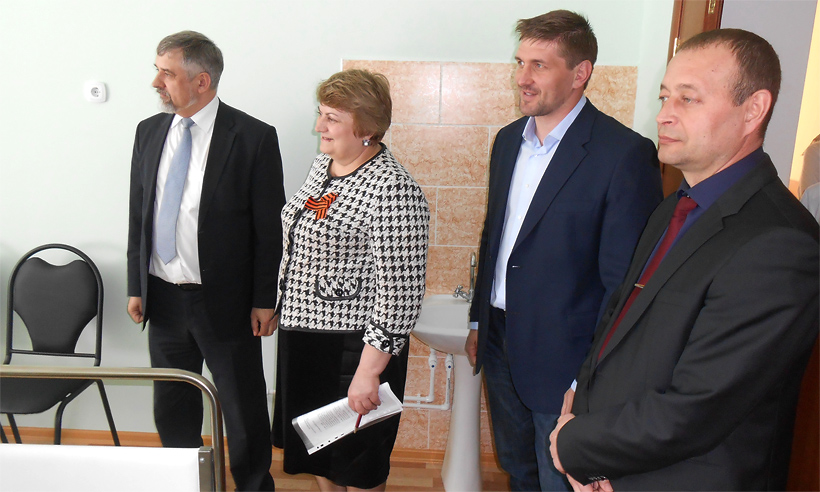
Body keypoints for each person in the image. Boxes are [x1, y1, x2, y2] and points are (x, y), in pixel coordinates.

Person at [550, 29, 820, 491]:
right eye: (664, 97)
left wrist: (576, 444)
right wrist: (582, 402)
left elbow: (700, 407)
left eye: (688, 99)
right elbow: (621, 319)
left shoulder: (780, 242)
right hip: (616, 464)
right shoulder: (676, 206)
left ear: (753, 109)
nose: (664, 115)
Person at [464, 10, 662, 491]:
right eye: (520, 63)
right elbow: (495, 238)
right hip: (500, 341)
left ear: (580, 73)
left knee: (560, 479)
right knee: (518, 471)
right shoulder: (508, 141)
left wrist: (587, 376)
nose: (522, 78)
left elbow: (625, 283)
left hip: (566, 359)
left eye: (539, 65)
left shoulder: (623, 154)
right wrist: (478, 322)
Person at [126, 31, 283, 491]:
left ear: (201, 81)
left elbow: (268, 229)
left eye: (167, 73)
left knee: (242, 408)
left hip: (226, 302)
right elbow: (139, 214)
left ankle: (253, 487)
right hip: (163, 299)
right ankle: (186, 484)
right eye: (157, 70)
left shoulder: (253, 137)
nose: (157, 82)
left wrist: (264, 298)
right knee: (172, 408)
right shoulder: (149, 132)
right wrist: (137, 285)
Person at [270, 69, 429, 492]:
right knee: (321, 454)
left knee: (357, 464)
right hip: (307, 342)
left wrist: (368, 373)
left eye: (332, 118)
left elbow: (400, 295)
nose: (318, 126)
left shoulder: (393, 190)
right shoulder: (324, 167)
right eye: (321, 114)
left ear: (367, 128)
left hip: (353, 350)